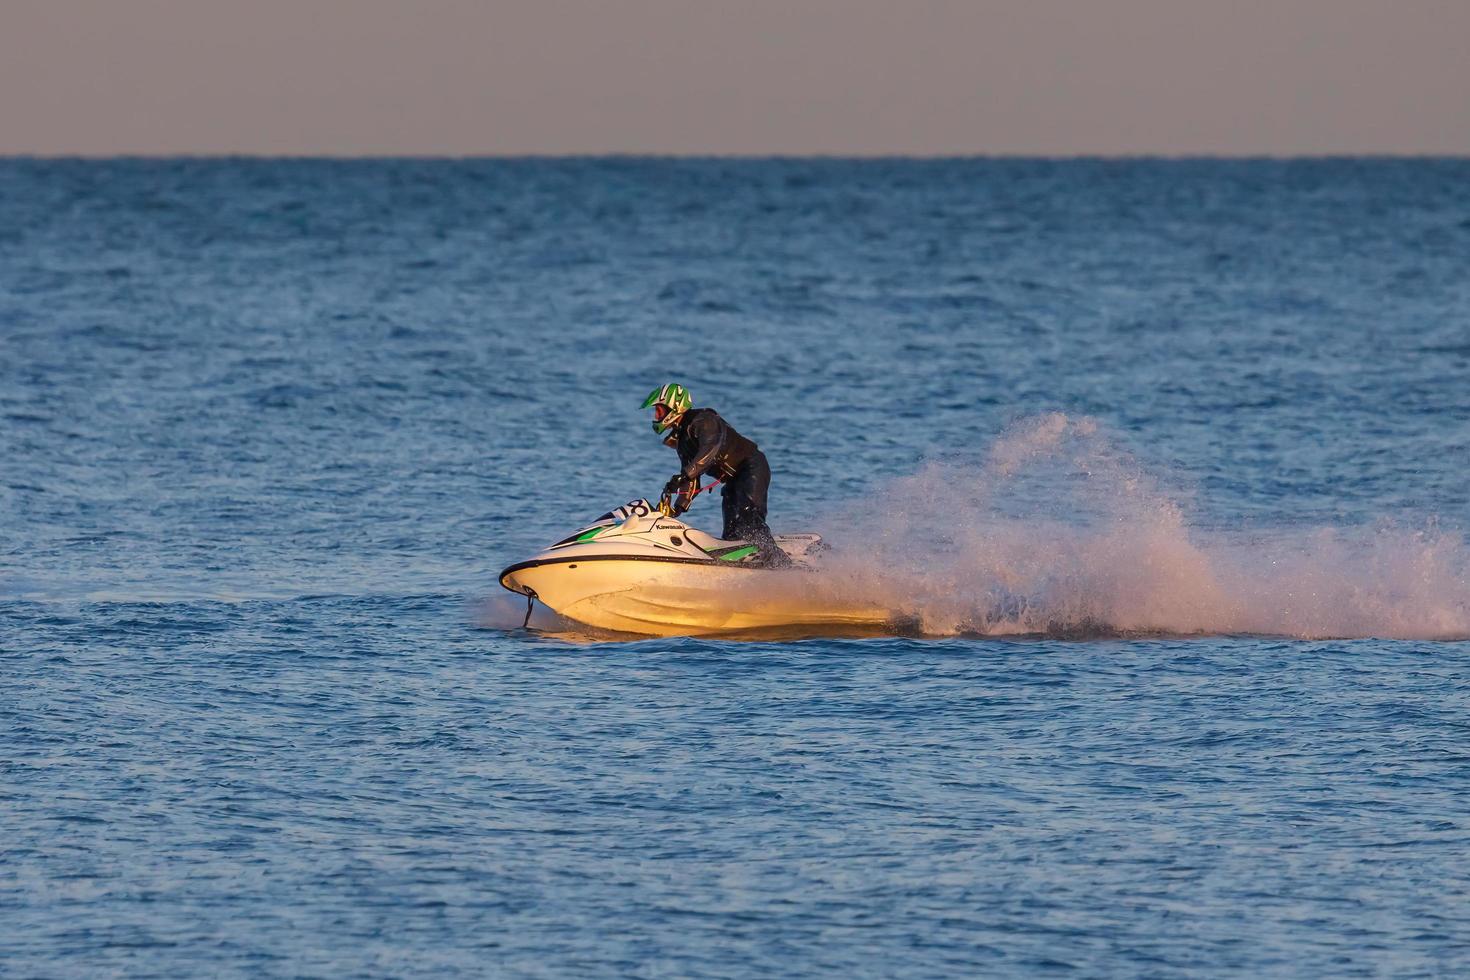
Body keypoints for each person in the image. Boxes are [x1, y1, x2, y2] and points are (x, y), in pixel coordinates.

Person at [641, 383, 790, 566]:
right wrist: (677, 508)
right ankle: (739, 569)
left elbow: (709, 451)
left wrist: (684, 476)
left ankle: (779, 561)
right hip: (733, 481)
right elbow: (692, 479)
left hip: (751, 467)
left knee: (749, 518)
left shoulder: (703, 420)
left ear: (675, 407)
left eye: (659, 411)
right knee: (732, 534)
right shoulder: (682, 441)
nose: (657, 416)